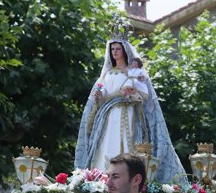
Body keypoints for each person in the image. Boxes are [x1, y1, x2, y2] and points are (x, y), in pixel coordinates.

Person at [74, 30, 186, 183]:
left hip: (127, 113)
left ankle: (127, 178)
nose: (115, 52)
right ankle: (102, 177)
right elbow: (101, 96)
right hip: (108, 116)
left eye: (118, 49)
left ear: (124, 50)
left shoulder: (134, 72)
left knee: (127, 143)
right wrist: (99, 97)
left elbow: (144, 96)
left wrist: (133, 93)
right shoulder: (106, 74)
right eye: (112, 49)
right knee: (106, 142)